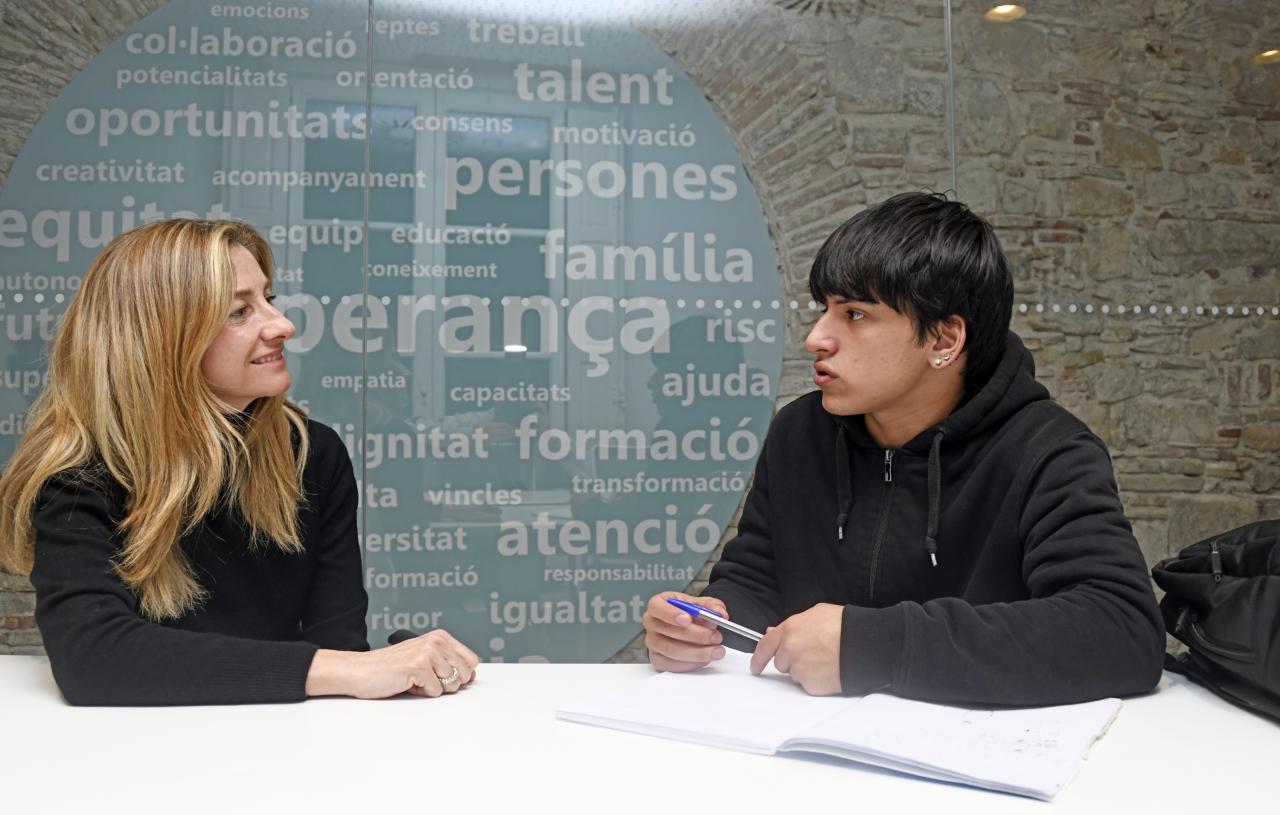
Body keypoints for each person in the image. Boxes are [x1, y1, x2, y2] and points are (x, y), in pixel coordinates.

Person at [642, 192, 1165, 705]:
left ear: (944, 341)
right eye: (824, 309)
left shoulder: (1047, 451)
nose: (816, 338)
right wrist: (709, 624)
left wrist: (873, 646)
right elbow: (757, 581)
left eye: (854, 315)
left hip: (973, 766)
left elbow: (1122, 631)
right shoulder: (799, 434)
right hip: (806, 756)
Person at [0, 219, 479, 705]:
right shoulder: (81, 474)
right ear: (163, 340)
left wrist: (380, 670)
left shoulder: (312, 454)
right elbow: (93, 659)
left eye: (269, 299)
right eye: (239, 311)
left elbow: (339, 651)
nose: (282, 325)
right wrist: (344, 669)